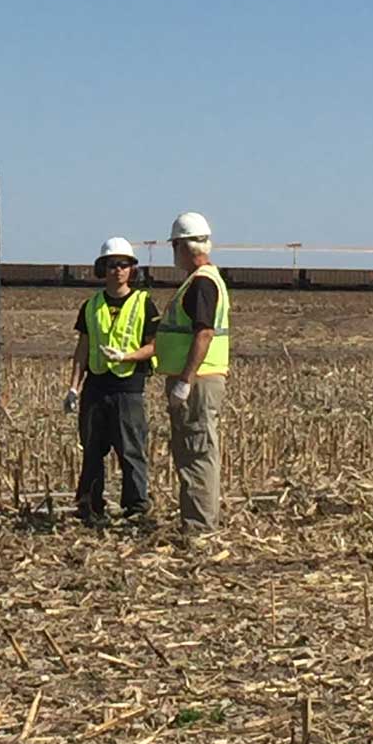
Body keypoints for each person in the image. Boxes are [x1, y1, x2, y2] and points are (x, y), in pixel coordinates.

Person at [64, 237, 160, 525]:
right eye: (111, 265)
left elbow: (155, 345)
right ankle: (90, 505)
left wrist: (127, 356)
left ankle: (136, 507)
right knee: (92, 450)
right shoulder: (91, 306)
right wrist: (73, 387)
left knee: (131, 449)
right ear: (101, 269)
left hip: (128, 387)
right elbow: (82, 348)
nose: (117, 270)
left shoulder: (145, 304)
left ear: (132, 270)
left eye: (123, 265)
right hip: (96, 386)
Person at [154, 211, 231, 537]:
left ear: (183, 246)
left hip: (198, 382)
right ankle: (196, 523)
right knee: (193, 450)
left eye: (175, 245)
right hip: (200, 378)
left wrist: (185, 380)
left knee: (197, 452)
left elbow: (203, 333)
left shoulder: (201, 283)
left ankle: (199, 528)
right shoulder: (203, 280)